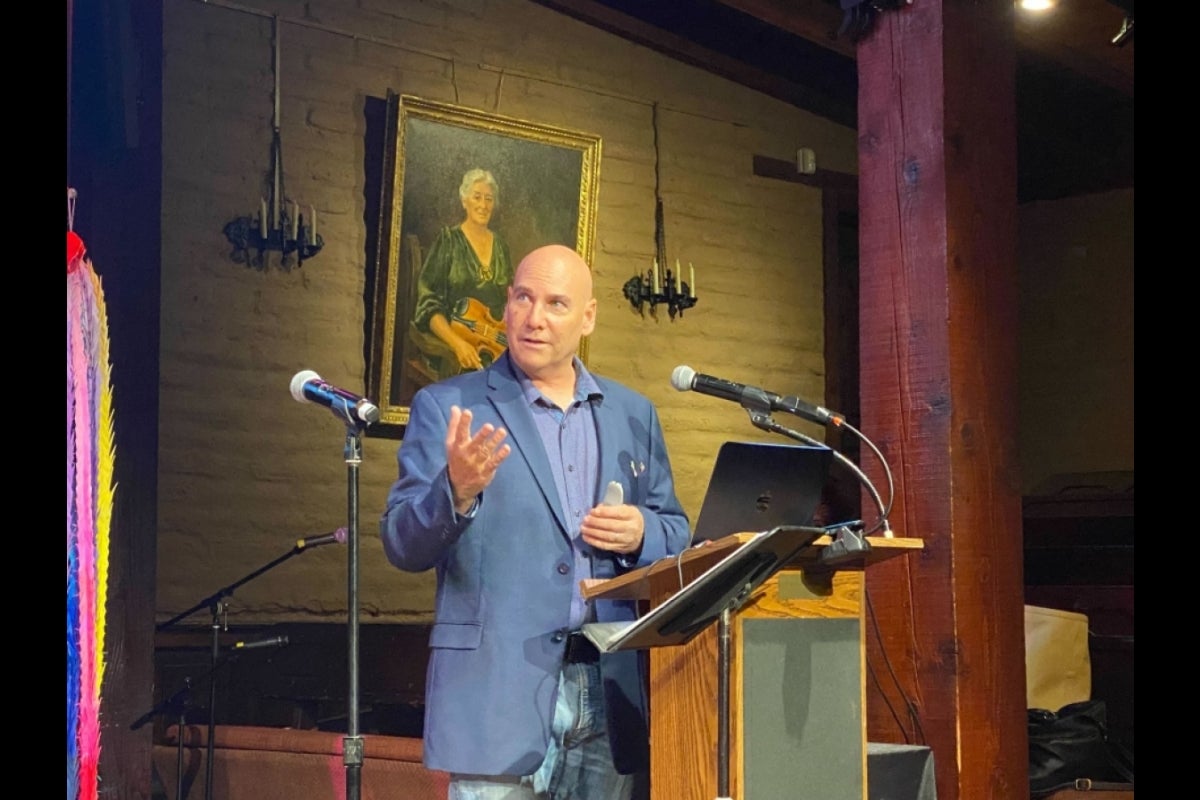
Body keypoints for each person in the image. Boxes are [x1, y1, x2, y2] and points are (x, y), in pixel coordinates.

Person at [380, 244, 691, 799]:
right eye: (523, 297)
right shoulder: (449, 405)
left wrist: (643, 532)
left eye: (555, 302)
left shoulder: (633, 413)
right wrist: (455, 492)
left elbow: (677, 533)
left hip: (607, 689)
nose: (534, 317)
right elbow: (402, 543)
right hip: (496, 695)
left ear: (588, 317)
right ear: (506, 305)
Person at [410, 168, 514, 381]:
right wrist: (457, 344)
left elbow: (511, 295)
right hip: (450, 342)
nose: (483, 205)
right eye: (477, 197)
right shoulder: (448, 241)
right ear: (464, 200)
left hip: (494, 341)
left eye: (489, 199)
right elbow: (428, 303)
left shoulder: (500, 246)